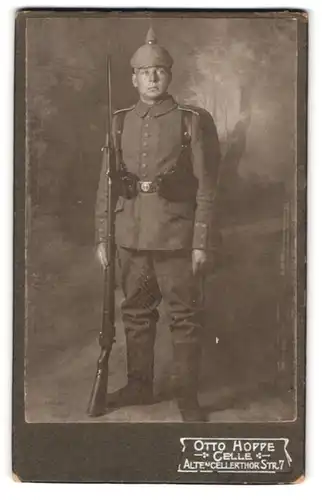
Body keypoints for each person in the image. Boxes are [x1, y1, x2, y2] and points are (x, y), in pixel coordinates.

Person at [95, 27, 221, 421]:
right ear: (133, 78)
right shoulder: (118, 122)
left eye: (160, 70)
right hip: (131, 235)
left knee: (183, 316)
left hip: (176, 237)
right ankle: (139, 384)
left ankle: (187, 395)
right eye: (144, 71)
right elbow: (106, 183)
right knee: (135, 312)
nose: (152, 77)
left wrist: (200, 240)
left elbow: (206, 186)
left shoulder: (191, 121)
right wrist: (103, 234)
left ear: (170, 75)